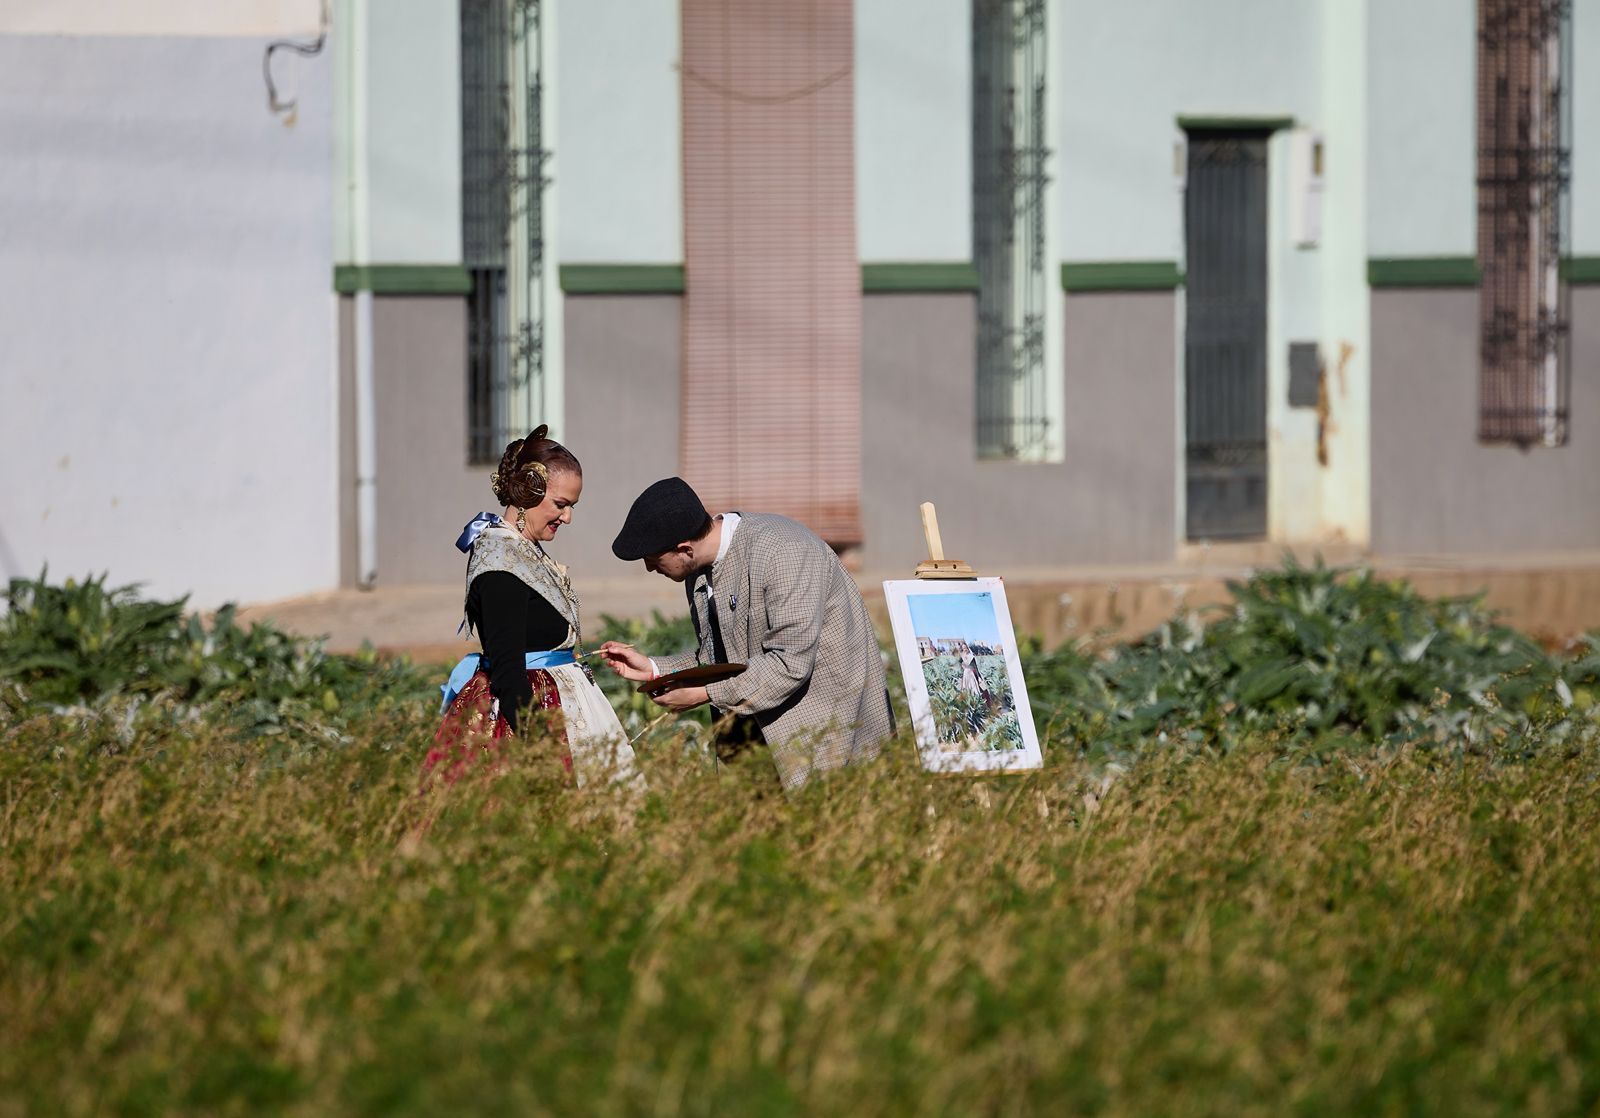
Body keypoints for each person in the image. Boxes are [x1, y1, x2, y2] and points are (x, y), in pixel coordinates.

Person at [599, 477, 893, 792]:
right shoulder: (697, 569)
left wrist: (703, 694)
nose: (649, 569)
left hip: (825, 739)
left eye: (654, 561)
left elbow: (789, 665)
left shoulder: (785, 553)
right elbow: (721, 657)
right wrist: (656, 669)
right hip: (758, 747)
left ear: (684, 549)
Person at [429, 426, 642, 792]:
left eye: (572, 506)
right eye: (561, 505)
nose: (568, 518)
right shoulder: (500, 564)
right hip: (527, 717)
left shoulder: (523, 552)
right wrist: (544, 756)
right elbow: (510, 674)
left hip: (555, 703)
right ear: (528, 490)